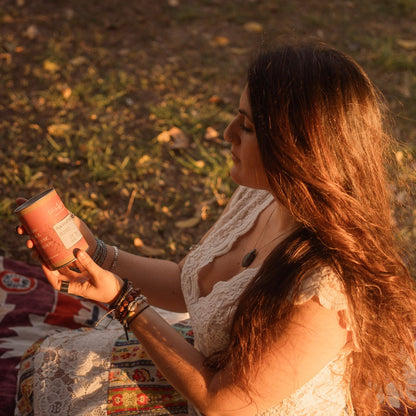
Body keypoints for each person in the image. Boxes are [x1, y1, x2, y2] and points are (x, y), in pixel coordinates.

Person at [15, 42, 416, 415]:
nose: (226, 134)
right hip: (212, 371)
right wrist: (95, 251)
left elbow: (225, 402)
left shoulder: (326, 287)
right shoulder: (262, 196)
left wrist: (123, 301)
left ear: (299, 148)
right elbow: (187, 286)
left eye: (246, 126)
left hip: (231, 400)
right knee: (43, 365)